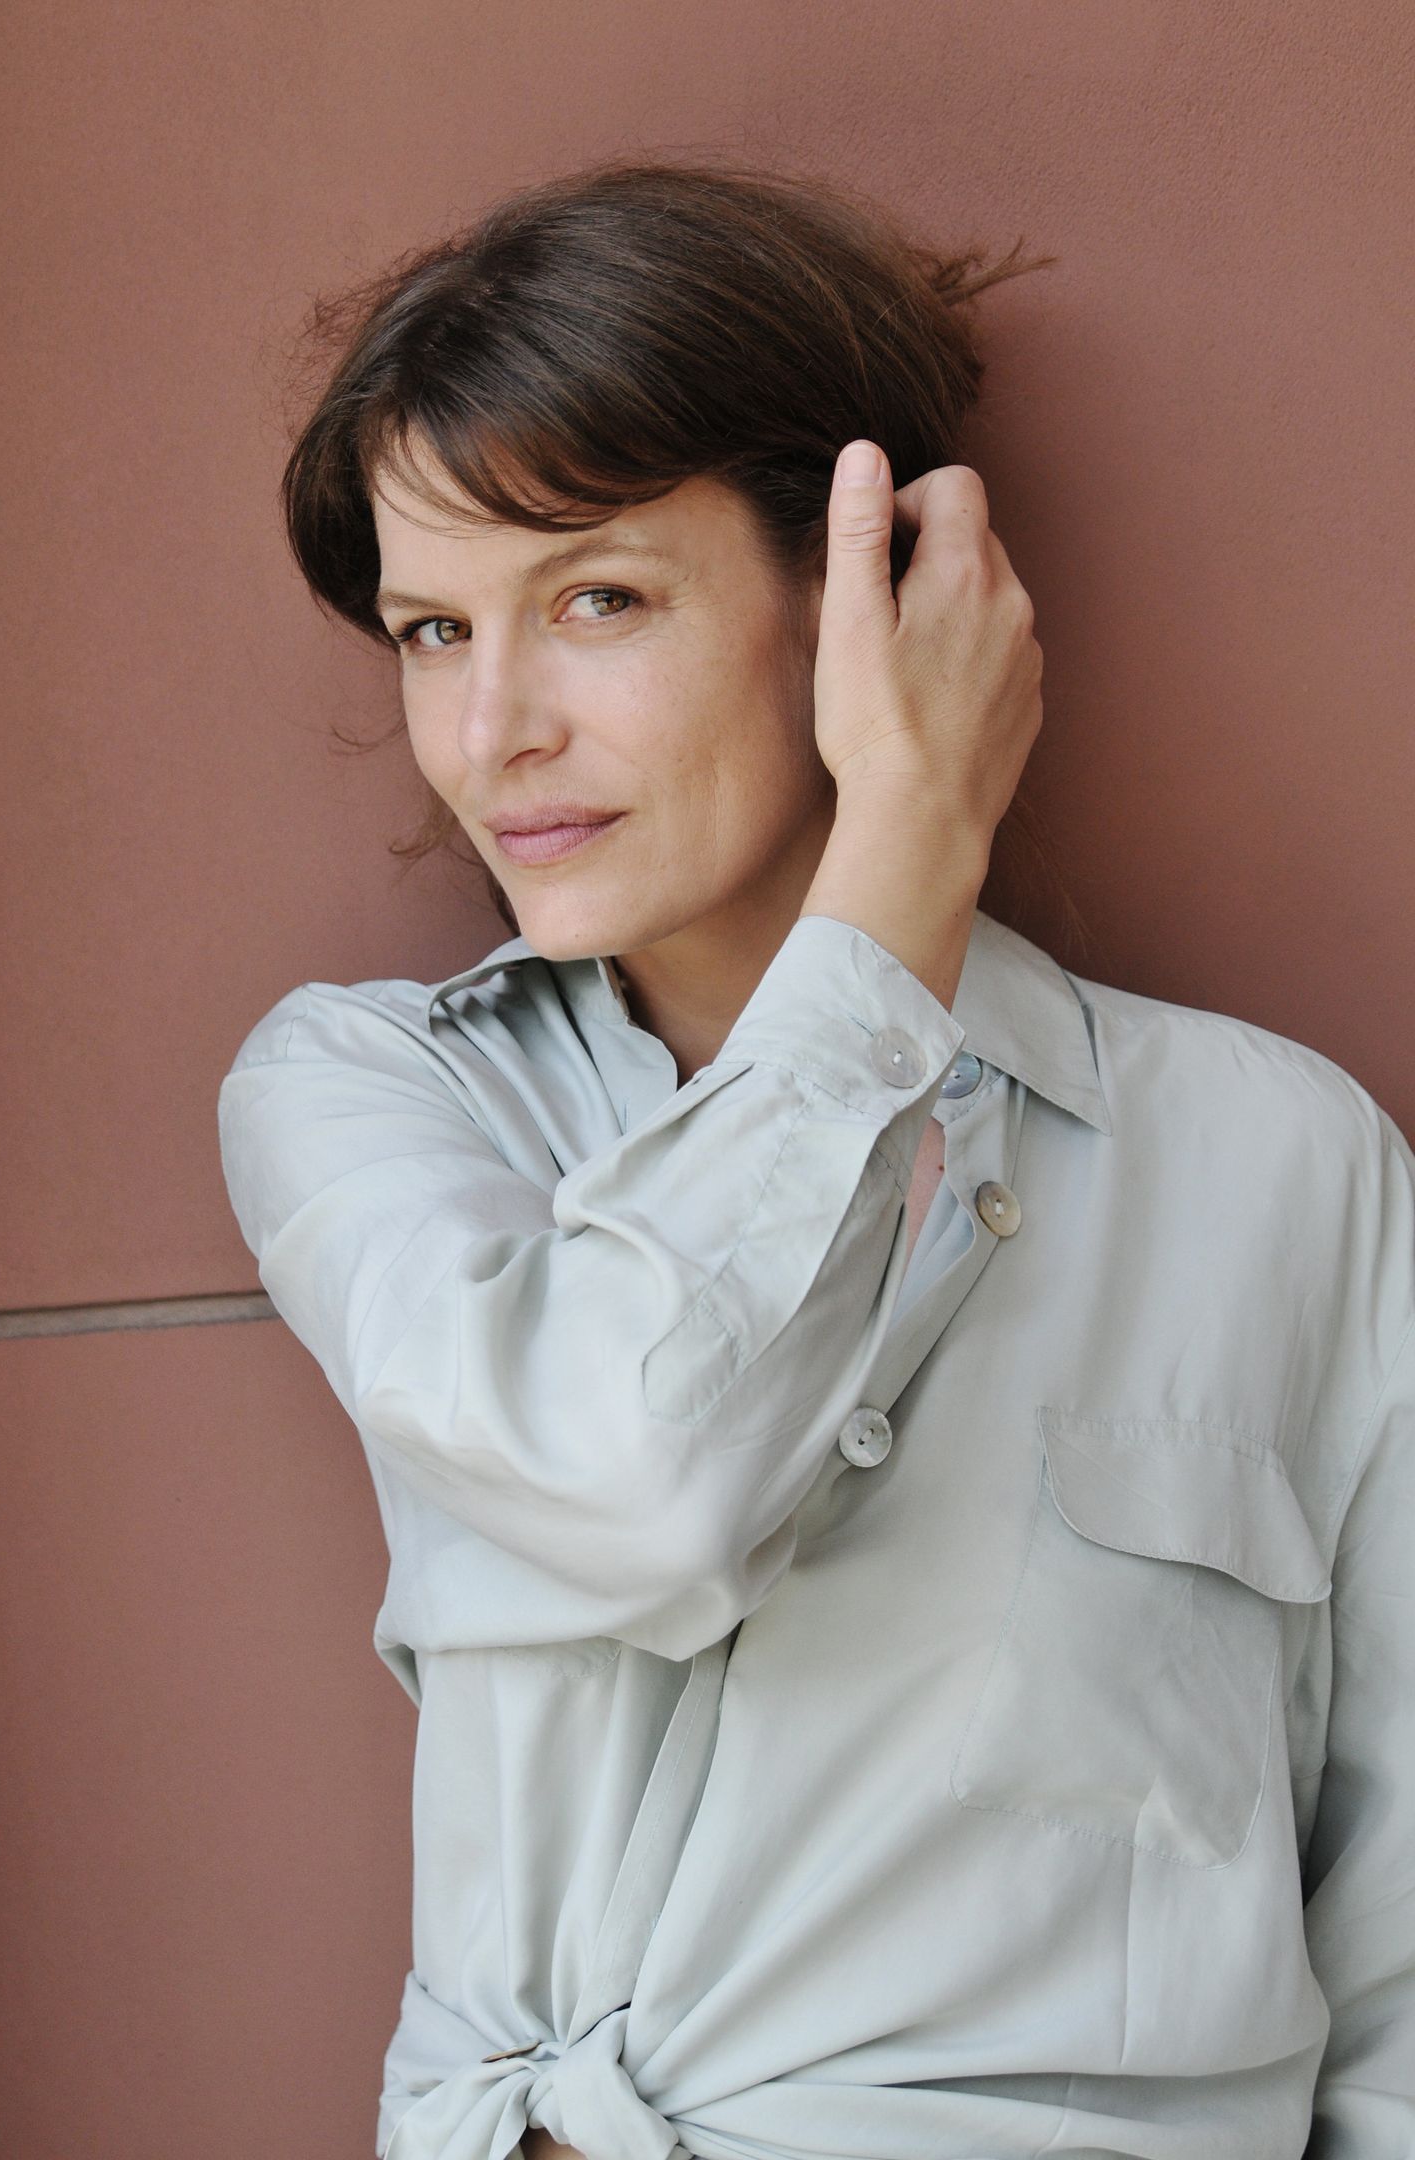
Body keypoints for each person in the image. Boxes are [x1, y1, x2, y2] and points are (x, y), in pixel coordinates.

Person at [217, 159, 1415, 2160]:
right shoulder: (374, 1100)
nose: (492, 730)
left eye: (596, 599)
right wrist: (904, 869)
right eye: (431, 630)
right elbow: (648, 1477)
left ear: (879, 596)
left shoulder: (1280, 1163)